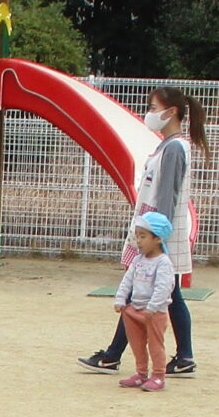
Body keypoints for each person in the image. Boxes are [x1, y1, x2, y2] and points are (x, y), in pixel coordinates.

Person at [85, 87, 208, 377]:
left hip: (159, 234)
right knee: (167, 292)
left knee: (139, 291)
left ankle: (113, 355)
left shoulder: (175, 148)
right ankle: (182, 356)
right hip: (156, 231)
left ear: (171, 112)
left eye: (154, 108)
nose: (149, 114)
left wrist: (153, 238)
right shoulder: (168, 146)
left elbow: (166, 195)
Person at [112, 213, 179, 390]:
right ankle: (141, 374)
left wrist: (153, 307)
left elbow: (164, 287)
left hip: (154, 313)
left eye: (143, 236)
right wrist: (120, 298)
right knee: (137, 343)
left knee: (156, 345)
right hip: (135, 309)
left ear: (157, 238)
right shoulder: (137, 260)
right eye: (137, 236)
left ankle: (158, 376)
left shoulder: (163, 262)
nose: (139, 241)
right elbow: (127, 280)